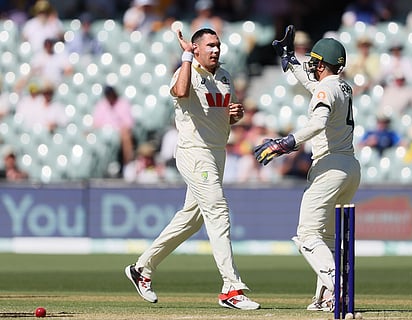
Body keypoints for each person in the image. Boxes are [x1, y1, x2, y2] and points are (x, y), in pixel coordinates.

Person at [124, 28, 260, 310]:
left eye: (218, 45)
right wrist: (186, 57)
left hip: (216, 153)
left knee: (192, 219)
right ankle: (231, 289)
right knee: (218, 210)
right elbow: (181, 92)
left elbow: (222, 118)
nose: (216, 50)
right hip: (193, 152)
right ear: (196, 49)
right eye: (209, 45)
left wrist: (235, 115)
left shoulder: (224, 76)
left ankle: (141, 269)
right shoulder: (186, 72)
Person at [254, 27, 361, 312]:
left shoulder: (327, 88)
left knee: (307, 235)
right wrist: (290, 59)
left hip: (330, 167)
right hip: (350, 167)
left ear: (324, 65)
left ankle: (337, 282)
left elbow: (317, 124)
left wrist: (285, 143)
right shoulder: (342, 86)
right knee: (326, 236)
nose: (311, 66)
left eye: (315, 62)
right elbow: (313, 86)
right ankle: (326, 297)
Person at [92, 85, 135, 168]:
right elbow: (96, 123)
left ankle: (128, 165)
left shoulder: (123, 103)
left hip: (118, 132)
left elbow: (128, 124)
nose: (109, 96)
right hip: (103, 132)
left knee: (126, 135)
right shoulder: (102, 104)